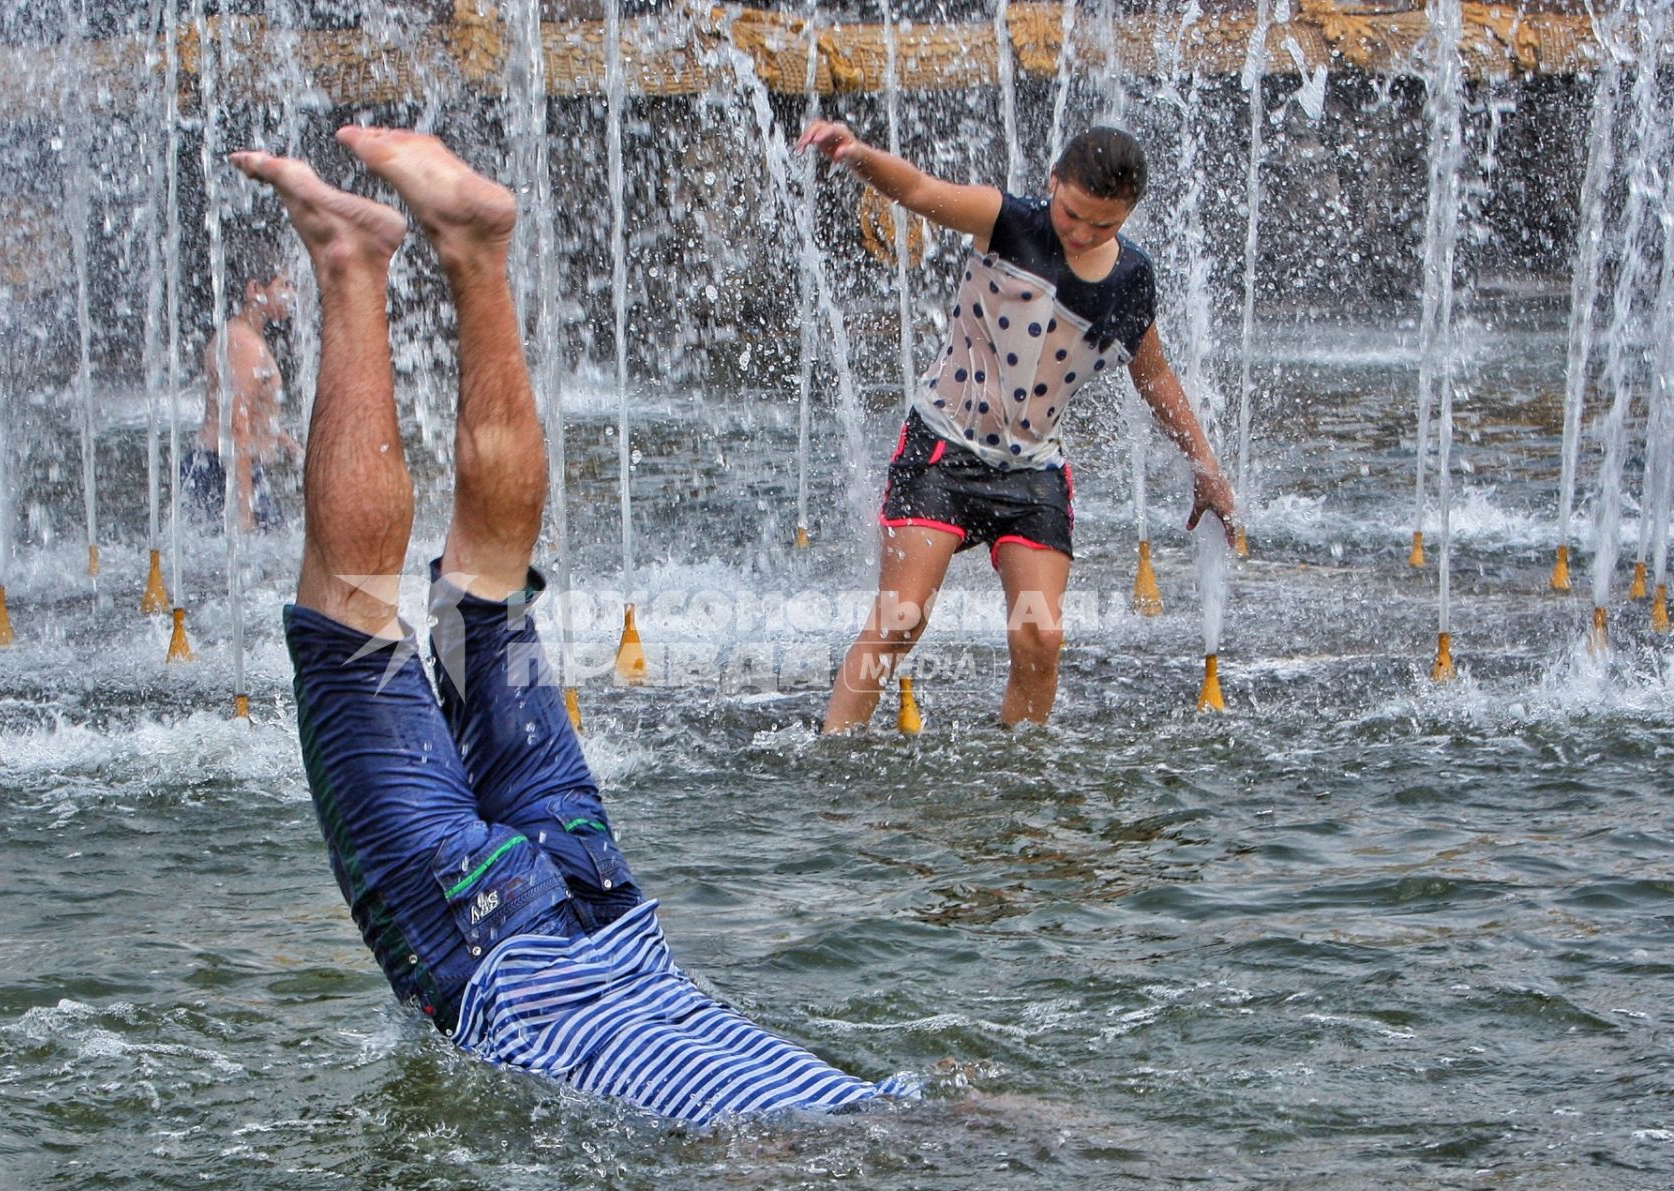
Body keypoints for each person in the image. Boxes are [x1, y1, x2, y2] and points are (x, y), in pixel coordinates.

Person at [233, 128, 914, 1126]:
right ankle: (349, 260)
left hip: (608, 903)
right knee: (355, 611)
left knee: (486, 592)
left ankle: (476, 254)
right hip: (493, 958)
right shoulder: (795, 1138)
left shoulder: (884, 1103)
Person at [795, 121, 1239, 731]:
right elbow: (921, 192)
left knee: (1040, 637)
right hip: (942, 448)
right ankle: (834, 750)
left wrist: (1205, 469)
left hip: (1032, 471)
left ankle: (1021, 773)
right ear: (1052, 184)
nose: (1082, 234)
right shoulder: (1008, 222)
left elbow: (1155, 376)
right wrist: (857, 155)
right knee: (900, 619)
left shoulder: (1130, 280)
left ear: (1128, 214)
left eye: (1103, 224)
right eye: (1072, 213)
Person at [181, 267, 300, 531]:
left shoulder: (241, 336)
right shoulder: (243, 343)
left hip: (223, 467)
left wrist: (293, 448)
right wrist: (243, 510)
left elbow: (253, 413)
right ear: (255, 289)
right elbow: (237, 423)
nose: (292, 294)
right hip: (221, 469)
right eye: (285, 285)